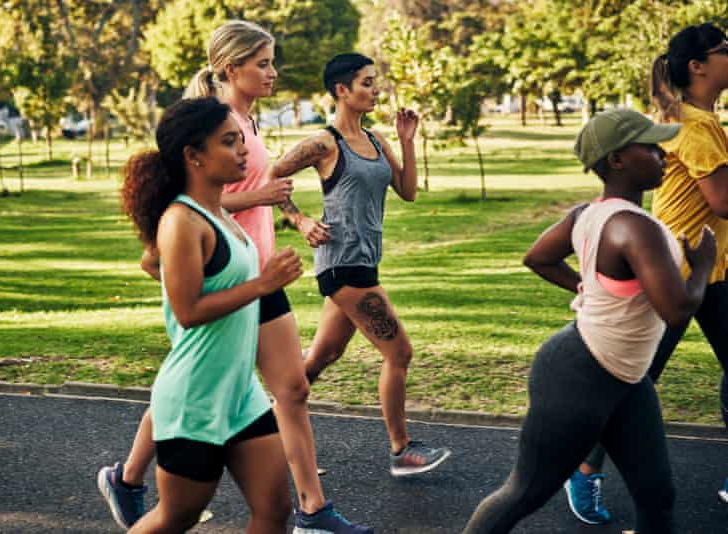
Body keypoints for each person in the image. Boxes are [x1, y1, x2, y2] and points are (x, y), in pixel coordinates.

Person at [99, 21, 372, 534]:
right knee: (202, 381)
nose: (273, 72)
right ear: (232, 68)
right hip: (228, 276)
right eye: (263, 63)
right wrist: (260, 202)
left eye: (272, 62)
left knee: (286, 388)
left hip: (258, 269)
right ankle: (133, 478)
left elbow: (262, 188)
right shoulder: (216, 124)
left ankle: (310, 508)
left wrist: (295, 217)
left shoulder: (245, 123)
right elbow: (200, 199)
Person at [462, 108, 716, 534]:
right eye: (651, 147)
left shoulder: (587, 214)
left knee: (657, 495)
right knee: (525, 492)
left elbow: (538, 258)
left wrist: (589, 287)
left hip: (627, 379)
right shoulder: (636, 229)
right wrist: (704, 266)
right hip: (579, 374)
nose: (663, 154)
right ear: (616, 160)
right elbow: (676, 310)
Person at [565, 22, 728, 523]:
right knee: (632, 379)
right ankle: (583, 470)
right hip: (671, 272)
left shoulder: (700, 119)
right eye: (726, 49)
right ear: (698, 66)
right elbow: (723, 201)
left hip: (712, 269)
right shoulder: (695, 127)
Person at [116, 96, 301, 533]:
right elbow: (188, 311)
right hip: (194, 398)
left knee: (276, 513)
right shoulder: (182, 221)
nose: (242, 151)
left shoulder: (219, 213)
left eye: (241, 140)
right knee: (174, 517)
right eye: (229, 142)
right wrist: (262, 284)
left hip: (239, 393)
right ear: (193, 156)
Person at [271, 53, 451, 476]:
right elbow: (272, 175)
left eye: (375, 82)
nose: (375, 90)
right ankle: (401, 450)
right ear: (341, 90)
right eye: (366, 83)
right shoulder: (324, 142)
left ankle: (262, 426)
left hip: (364, 263)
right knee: (399, 352)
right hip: (342, 265)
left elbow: (407, 191)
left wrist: (406, 140)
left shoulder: (375, 141)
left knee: (322, 356)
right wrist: (299, 220)